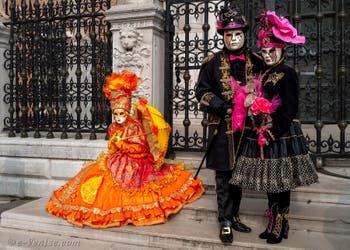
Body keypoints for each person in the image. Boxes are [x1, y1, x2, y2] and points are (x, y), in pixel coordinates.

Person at [46, 70, 204, 228]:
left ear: (127, 111)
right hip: (116, 159)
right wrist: (114, 143)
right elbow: (112, 147)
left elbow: (140, 149)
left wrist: (121, 143)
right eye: (115, 114)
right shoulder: (113, 126)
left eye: (121, 113)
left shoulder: (134, 127)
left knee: (128, 182)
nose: (118, 117)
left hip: (135, 162)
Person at [229, 11, 319, 244]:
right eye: (265, 52)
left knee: (282, 182)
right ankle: (272, 222)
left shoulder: (287, 73)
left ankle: (281, 224)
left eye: (273, 51)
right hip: (260, 134)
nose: (268, 55)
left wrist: (272, 131)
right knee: (271, 181)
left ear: (281, 50)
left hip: (281, 134)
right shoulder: (263, 72)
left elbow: (289, 109)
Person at [195, 4, 263, 244]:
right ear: (223, 36)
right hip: (223, 128)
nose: (233, 39)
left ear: (245, 34)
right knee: (224, 175)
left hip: (249, 129)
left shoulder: (256, 61)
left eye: (238, 34)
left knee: (239, 174)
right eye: (228, 35)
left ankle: (234, 216)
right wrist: (221, 105)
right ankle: (224, 220)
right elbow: (201, 92)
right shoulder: (211, 62)